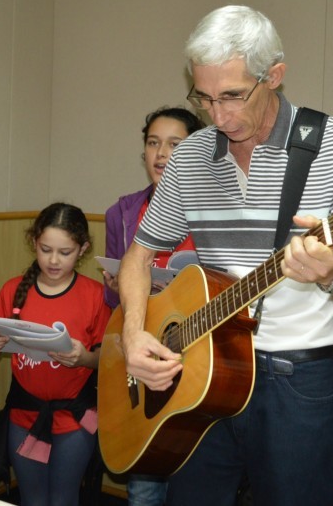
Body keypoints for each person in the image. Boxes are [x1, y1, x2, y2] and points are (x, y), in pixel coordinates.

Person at [116, 5, 333, 506]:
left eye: (233, 96)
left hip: (296, 383)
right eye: (205, 98)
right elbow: (138, 256)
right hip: (201, 370)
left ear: (274, 76)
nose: (218, 116)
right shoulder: (192, 155)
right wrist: (133, 334)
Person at [103, 106, 203, 505]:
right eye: (152, 143)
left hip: (196, 360)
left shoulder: (210, 211)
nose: (161, 154)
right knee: (144, 489)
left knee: (196, 483)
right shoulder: (122, 212)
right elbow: (113, 304)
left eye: (175, 144)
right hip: (141, 358)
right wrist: (116, 286)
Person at [0, 203, 111, 506]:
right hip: (24, 414)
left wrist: (85, 358)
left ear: (83, 250)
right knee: (33, 499)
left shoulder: (93, 295)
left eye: (65, 252)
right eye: (45, 249)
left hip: (75, 418)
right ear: (34, 242)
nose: (53, 260)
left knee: (64, 498)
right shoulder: (14, 289)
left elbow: (108, 357)